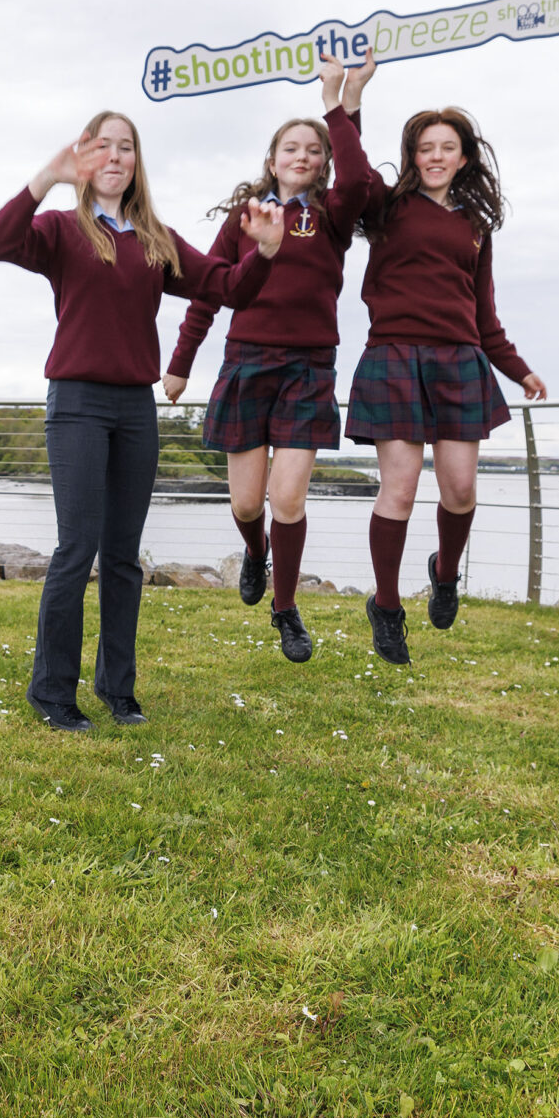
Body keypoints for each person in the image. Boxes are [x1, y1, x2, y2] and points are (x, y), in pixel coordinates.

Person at [0, 113, 286, 728]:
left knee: (123, 556)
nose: (115, 156)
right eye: (102, 146)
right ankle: (52, 692)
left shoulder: (156, 240)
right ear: (84, 159)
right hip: (76, 404)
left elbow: (229, 288)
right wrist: (46, 177)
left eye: (127, 147)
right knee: (77, 548)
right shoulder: (63, 231)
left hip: (134, 409)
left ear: (137, 162)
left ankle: (117, 690)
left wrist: (266, 251)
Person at [163, 52, 378, 662]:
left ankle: (285, 608)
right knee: (246, 505)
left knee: (288, 501)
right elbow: (210, 290)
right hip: (247, 362)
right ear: (272, 159)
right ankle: (254, 552)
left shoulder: (334, 215)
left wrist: (341, 102)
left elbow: (359, 180)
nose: (303, 156)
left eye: (314, 148)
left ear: (323, 159)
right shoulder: (249, 216)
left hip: (310, 367)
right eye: (291, 148)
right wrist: (181, 362)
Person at [336, 98, 548, 664]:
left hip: (459, 361)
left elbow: (484, 316)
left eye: (446, 147)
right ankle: (386, 606)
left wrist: (519, 369)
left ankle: (445, 572)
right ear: (412, 155)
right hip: (394, 357)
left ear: (463, 157)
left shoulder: (475, 226)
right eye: (425, 147)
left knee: (460, 489)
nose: (435, 156)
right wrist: (346, 104)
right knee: (399, 489)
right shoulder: (386, 206)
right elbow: (353, 172)